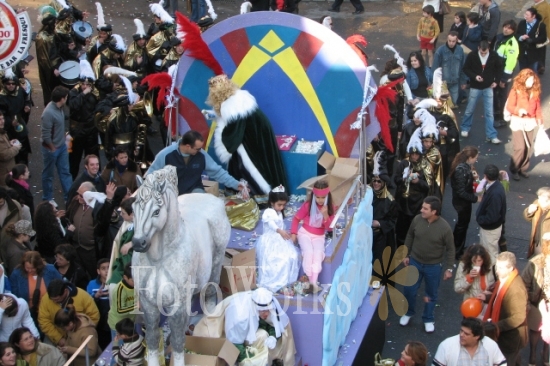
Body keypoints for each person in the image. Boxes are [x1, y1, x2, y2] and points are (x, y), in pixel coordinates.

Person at [207, 75, 288, 195]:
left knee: (251, 163)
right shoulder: (238, 98)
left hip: (251, 135)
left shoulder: (231, 106)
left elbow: (233, 131)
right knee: (262, 161)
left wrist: (224, 140)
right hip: (258, 130)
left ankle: (258, 193)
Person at [194, 287, 296, 364]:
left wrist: (273, 336)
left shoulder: (266, 307)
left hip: (247, 331)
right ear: (256, 308)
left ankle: (273, 360)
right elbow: (234, 344)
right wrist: (250, 358)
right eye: (263, 311)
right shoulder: (240, 316)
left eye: (268, 310)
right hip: (223, 333)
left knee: (264, 336)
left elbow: (273, 325)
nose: (266, 313)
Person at [400, 196, 454, 333]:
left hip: (434, 266)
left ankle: (428, 319)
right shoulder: (417, 220)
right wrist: (405, 254)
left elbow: (451, 249)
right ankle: (409, 312)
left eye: (425, 208)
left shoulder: (445, 228)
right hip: (415, 262)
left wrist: (449, 268)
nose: (421, 210)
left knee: (431, 294)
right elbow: (410, 236)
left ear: (434, 211)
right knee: (409, 290)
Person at [148, 130, 247, 196]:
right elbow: (150, 176)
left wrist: (235, 184)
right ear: (187, 146)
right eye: (198, 148)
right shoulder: (166, 155)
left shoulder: (201, 155)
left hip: (195, 190)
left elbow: (217, 172)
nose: (200, 150)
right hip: (171, 194)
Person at [482, 252, 528, 366]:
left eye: (501, 268)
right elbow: (499, 299)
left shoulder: (516, 289)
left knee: (506, 362)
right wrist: (487, 297)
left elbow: (519, 317)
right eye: (497, 266)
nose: (497, 270)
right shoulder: (504, 280)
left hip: (509, 340)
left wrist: (496, 326)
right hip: (505, 337)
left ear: (511, 268)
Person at [255, 186, 300, 292]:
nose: (281, 207)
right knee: (275, 260)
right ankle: (272, 282)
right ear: (271, 202)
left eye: (283, 205)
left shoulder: (279, 213)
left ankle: (285, 281)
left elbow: (280, 226)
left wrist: (284, 232)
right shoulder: (269, 212)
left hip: (279, 240)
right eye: (279, 205)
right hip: (270, 241)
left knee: (291, 256)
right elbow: (271, 224)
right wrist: (280, 231)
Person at [291, 180, 335, 285]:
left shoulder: (330, 207)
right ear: (314, 195)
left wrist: (325, 215)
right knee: (308, 252)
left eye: (323, 197)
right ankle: (312, 283)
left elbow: (329, 229)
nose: (320, 200)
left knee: (318, 254)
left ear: (327, 196)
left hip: (319, 236)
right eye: (318, 197)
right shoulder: (308, 205)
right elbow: (296, 219)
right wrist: (293, 234)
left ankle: (313, 282)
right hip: (305, 233)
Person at [460, 41, 503, 144]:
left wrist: (496, 81)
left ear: (488, 49)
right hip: (475, 87)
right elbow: (466, 68)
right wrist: (475, 76)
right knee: (470, 109)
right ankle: (465, 128)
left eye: (485, 52)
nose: (483, 54)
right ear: (478, 48)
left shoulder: (493, 55)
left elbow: (499, 68)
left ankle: (491, 135)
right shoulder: (472, 55)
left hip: (488, 86)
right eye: (482, 52)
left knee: (489, 113)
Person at [38, 279, 99, 347]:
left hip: (80, 338)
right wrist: (59, 339)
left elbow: (94, 316)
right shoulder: (46, 299)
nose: (54, 301)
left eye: (57, 299)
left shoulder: (82, 296)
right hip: (55, 336)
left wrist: (80, 334)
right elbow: (43, 321)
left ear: (65, 291)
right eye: (52, 300)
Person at [506, 68, 542, 181]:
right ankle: (514, 168)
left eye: (532, 80)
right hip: (518, 121)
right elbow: (509, 106)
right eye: (529, 80)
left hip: (530, 122)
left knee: (528, 147)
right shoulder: (515, 90)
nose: (531, 83)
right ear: (523, 80)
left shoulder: (534, 91)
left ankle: (523, 168)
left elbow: (537, 106)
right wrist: (518, 110)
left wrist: (539, 118)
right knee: (520, 147)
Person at [67, 60, 100, 180]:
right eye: (83, 84)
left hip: (91, 129)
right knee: (74, 158)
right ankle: (71, 182)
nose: (85, 86)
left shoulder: (95, 93)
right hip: (77, 130)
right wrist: (83, 94)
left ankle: (94, 179)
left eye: (88, 84)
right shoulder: (74, 92)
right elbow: (73, 105)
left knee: (93, 156)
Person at [40, 86, 73, 204]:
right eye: (66, 97)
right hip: (51, 149)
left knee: (65, 172)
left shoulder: (59, 107)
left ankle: (68, 198)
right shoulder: (49, 112)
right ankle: (47, 198)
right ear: (62, 99)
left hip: (61, 146)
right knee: (48, 175)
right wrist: (52, 148)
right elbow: (45, 134)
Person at [521, 232, 550, 366]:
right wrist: (526, 303)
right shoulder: (535, 263)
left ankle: (545, 353)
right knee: (536, 329)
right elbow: (524, 284)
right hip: (537, 302)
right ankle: (533, 354)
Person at [9, 252, 61, 323]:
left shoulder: (50, 270)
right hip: (30, 313)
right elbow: (14, 294)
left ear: (38, 266)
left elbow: (61, 285)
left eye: (33, 268)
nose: (30, 270)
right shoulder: (17, 274)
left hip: (51, 311)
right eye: (27, 268)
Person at [66, 182, 103, 279]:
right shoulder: (75, 202)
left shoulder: (99, 207)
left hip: (91, 250)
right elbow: (68, 215)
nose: (78, 197)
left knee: (94, 274)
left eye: (81, 195)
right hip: (76, 247)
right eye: (78, 194)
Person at [432, 317, 506, 366]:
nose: (461, 335)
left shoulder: (490, 345)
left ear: (477, 336)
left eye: (466, 334)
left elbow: (501, 363)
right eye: (461, 331)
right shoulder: (446, 346)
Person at [449, 146, 480, 258]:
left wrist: (473, 177)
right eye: (475, 157)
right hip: (461, 203)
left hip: (462, 202)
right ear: (470, 157)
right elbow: (461, 191)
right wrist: (476, 198)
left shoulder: (464, 167)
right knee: (462, 225)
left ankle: (458, 246)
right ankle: (457, 250)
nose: (476, 160)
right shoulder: (461, 170)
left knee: (462, 225)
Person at [369, 152, 398, 264]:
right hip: (367, 233)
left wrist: (379, 224)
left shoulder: (390, 201)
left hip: (382, 238)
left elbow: (393, 221)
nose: (376, 183)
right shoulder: (368, 195)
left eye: (379, 181)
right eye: (374, 181)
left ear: (384, 183)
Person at [476, 164, 507, 264]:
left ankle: (491, 275)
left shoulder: (495, 193)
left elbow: (492, 216)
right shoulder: (496, 186)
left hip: (490, 229)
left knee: (490, 254)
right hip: (492, 227)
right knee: (487, 251)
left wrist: (481, 219)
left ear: (485, 176)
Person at [493, 20, 520, 127]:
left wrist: (504, 79)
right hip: (496, 71)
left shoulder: (512, 44)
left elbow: (510, 64)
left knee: (501, 96)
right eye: (505, 27)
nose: (506, 29)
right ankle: (496, 114)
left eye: (509, 28)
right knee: (495, 94)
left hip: (503, 74)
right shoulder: (499, 37)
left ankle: (501, 118)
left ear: (513, 30)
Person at [432, 31, 466, 105]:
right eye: (449, 41)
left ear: (456, 40)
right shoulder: (440, 51)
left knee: (453, 104)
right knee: (443, 106)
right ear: (447, 39)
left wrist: (463, 81)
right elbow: (435, 68)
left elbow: (463, 67)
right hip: (443, 84)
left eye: (453, 41)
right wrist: (433, 83)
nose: (451, 43)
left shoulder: (460, 50)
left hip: (455, 82)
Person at [108, 198, 135, 285]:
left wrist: (132, 243)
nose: (120, 214)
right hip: (122, 262)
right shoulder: (127, 223)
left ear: (132, 214)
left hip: (129, 264)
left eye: (123, 213)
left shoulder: (140, 226)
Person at [87, 258, 110, 350]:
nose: (106, 271)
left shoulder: (116, 282)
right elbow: (88, 303)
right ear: (98, 271)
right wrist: (96, 296)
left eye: (108, 267)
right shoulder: (92, 284)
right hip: (100, 323)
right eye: (103, 268)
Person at [107, 263, 135, 340]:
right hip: (118, 325)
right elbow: (120, 310)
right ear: (125, 277)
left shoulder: (137, 285)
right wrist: (136, 306)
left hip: (129, 322)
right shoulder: (119, 290)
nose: (137, 282)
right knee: (119, 348)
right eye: (133, 280)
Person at [524, 187, 550, 258]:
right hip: (537, 241)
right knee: (537, 262)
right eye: (539, 198)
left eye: (542, 200)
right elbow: (528, 218)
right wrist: (529, 211)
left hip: (547, 244)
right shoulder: (537, 204)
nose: (539, 202)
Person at [0, 112, 21, 188]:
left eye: (3, 118)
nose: (2, 121)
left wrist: (9, 143)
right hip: (4, 174)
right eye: (0, 119)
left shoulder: (1, 131)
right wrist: (16, 147)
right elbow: (4, 155)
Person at [533, 0, 550, 75]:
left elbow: (537, 21)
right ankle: (541, 66)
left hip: (540, 33)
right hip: (545, 33)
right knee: (542, 50)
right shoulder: (545, 5)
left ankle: (539, 66)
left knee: (538, 50)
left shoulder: (541, 8)